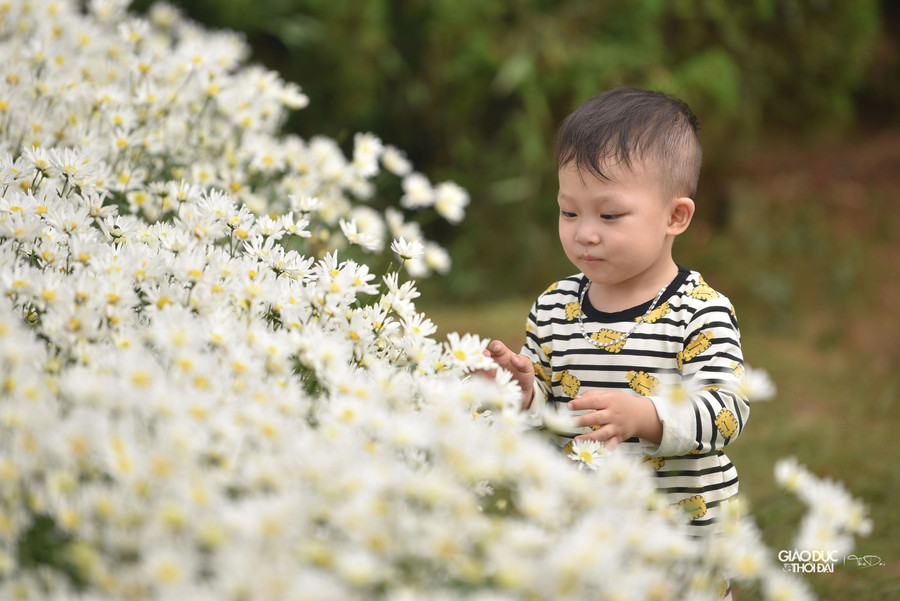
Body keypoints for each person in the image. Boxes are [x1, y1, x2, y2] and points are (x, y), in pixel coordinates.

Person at [486, 88, 750, 548]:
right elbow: (553, 417)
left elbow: (727, 411)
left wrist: (646, 416)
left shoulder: (698, 311)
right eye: (569, 212)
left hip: (679, 541)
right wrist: (524, 393)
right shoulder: (553, 308)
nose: (585, 233)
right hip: (580, 538)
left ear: (676, 216)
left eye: (609, 215)